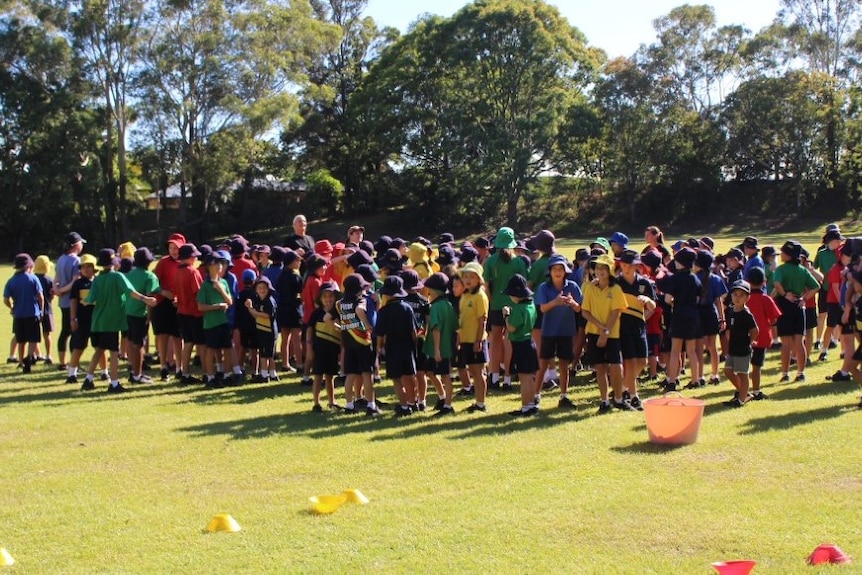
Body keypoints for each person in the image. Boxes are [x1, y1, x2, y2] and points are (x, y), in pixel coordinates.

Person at [79, 248, 156, 393]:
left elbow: (90, 298)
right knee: (114, 352)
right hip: (112, 321)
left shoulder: (98, 279)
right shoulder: (117, 277)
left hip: (98, 321)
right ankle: (114, 383)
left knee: (100, 350)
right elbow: (130, 291)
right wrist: (146, 299)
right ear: (114, 263)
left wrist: (84, 301)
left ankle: (88, 379)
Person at [581, 253, 633, 413]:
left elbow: (617, 311)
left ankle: (618, 398)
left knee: (616, 366)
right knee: (600, 367)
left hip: (612, 333)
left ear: (610, 270)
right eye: (597, 268)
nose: (599, 271)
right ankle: (604, 401)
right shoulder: (590, 287)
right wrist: (600, 327)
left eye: (604, 268)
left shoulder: (616, 289)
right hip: (594, 332)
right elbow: (585, 312)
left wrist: (606, 331)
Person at [483, 227, 529, 390]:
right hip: (513, 305)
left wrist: (492, 300)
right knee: (509, 340)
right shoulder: (518, 261)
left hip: (496, 305)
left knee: (495, 340)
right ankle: (508, 378)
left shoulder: (490, 261)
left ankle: (494, 376)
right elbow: (524, 283)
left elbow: (486, 285)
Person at [534, 254, 582, 409]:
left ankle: (563, 396)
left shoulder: (572, 286)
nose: (558, 271)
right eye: (555, 268)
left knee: (563, 364)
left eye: (561, 268)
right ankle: (536, 395)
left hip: (566, 331)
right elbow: (542, 308)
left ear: (565, 271)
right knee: (543, 363)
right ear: (550, 271)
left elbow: (579, 308)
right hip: (548, 331)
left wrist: (572, 303)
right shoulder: (544, 287)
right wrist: (555, 302)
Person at [772, 241, 820, 383]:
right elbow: (815, 286)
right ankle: (801, 373)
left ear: (788, 255)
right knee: (799, 343)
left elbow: (776, 284)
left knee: (786, 343)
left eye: (783, 252)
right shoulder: (802, 269)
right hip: (799, 306)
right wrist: (804, 299)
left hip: (784, 306)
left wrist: (785, 294)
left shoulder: (781, 269)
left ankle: (785, 374)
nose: (781, 254)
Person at [656, 248, 702, 393]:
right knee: (691, 350)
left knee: (675, 350)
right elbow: (698, 298)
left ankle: (671, 380)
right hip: (693, 315)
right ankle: (695, 379)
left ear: (680, 262)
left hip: (679, 314)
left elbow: (668, 299)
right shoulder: (695, 278)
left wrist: (675, 301)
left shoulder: (675, 278)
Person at [375, 275, 419, 417]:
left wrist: (379, 349)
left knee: (397, 379)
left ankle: (404, 406)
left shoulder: (383, 311)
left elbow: (380, 334)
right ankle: (413, 403)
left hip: (392, 348)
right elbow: (414, 332)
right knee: (409, 376)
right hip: (407, 347)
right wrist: (414, 345)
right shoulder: (407, 308)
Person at [616, 250, 655, 410]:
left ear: (637, 266)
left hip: (639, 326)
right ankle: (634, 396)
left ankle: (623, 389)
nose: (626, 268)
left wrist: (647, 302)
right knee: (629, 362)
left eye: (630, 265)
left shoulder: (644, 283)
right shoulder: (616, 283)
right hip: (622, 327)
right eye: (624, 264)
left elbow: (653, 307)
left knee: (642, 361)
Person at [337, 274, 377, 415]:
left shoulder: (339, 303)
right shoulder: (362, 300)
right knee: (367, 374)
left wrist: (340, 326)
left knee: (351, 374)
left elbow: (327, 317)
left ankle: (349, 405)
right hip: (363, 341)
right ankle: (371, 405)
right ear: (359, 289)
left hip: (348, 343)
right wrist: (367, 326)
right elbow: (360, 310)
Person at [500, 274, 539, 416]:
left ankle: (525, 407)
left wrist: (506, 316)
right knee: (529, 377)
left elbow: (511, 328)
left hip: (520, 345)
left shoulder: (518, 308)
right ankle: (531, 404)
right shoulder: (531, 305)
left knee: (524, 379)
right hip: (530, 342)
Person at [421, 272, 458, 416]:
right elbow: (455, 325)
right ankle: (442, 398)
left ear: (434, 291)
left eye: (429, 289)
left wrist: (437, 350)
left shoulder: (436, 307)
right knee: (430, 372)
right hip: (445, 346)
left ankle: (448, 406)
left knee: (446, 376)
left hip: (440, 349)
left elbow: (436, 329)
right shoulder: (448, 304)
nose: (427, 292)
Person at [196, 250, 235, 387]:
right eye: (216, 263)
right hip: (211, 323)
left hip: (223, 321)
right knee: (211, 349)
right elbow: (200, 306)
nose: (220, 266)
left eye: (221, 263)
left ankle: (227, 374)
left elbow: (230, 301)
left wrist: (220, 289)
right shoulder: (205, 286)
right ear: (209, 266)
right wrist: (216, 306)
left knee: (227, 348)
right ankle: (210, 377)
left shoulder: (223, 282)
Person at [124, 248, 161, 384]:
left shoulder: (129, 274)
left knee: (132, 342)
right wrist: (149, 317)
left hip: (128, 312)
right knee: (139, 345)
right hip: (140, 314)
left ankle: (133, 371)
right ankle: (137, 375)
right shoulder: (150, 276)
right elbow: (150, 297)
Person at [457, 262, 490, 413]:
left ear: (478, 279)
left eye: (472, 276)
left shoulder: (479, 296)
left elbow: (482, 319)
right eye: (465, 276)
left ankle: (481, 404)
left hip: (476, 340)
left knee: (478, 372)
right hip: (466, 339)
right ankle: (477, 401)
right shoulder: (465, 295)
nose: (468, 279)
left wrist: (478, 340)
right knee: (472, 370)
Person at [152, 233, 185, 380]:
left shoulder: (186, 263)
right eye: (171, 248)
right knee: (163, 335)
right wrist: (164, 292)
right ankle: (163, 367)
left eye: (176, 248)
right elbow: (153, 283)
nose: (173, 251)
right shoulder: (163, 263)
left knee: (179, 336)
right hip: (163, 303)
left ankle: (179, 368)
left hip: (179, 303)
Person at [744, 267, 781, 400]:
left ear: (747, 281)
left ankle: (743, 390)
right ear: (764, 281)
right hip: (762, 336)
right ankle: (756, 390)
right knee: (757, 366)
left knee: (743, 366)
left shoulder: (744, 299)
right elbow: (774, 318)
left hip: (745, 336)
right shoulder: (766, 299)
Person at [173, 243, 207, 385]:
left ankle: (184, 372)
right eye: (194, 256)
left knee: (187, 343)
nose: (195, 259)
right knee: (202, 344)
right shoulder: (193, 272)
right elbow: (199, 293)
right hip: (195, 312)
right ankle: (207, 373)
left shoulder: (177, 271)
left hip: (182, 311)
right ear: (189, 257)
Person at [3, 254, 44, 373]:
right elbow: (40, 296)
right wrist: (41, 310)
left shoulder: (11, 281)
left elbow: (5, 299)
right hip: (33, 313)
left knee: (21, 340)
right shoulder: (33, 278)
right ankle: (29, 357)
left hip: (19, 314)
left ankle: (21, 361)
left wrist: (12, 307)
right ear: (29, 266)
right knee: (33, 339)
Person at [692, 250, 727, 388]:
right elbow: (719, 301)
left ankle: (700, 376)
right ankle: (715, 374)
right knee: (712, 347)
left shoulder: (694, 278)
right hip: (711, 313)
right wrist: (722, 319)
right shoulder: (716, 279)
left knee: (698, 347)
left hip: (697, 313)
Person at [307, 281, 342, 412]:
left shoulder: (338, 313)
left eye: (331, 296)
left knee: (330, 376)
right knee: (318, 376)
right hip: (319, 351)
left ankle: (332, 401)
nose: (328, 299)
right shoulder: (316, 314)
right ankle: (316, 403)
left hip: (333, 350)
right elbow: (309, 331)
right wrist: (309, 348)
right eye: (325, 296)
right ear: (320, 299)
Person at [723, 280, 759, 407]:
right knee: (727, 370)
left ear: (747, 298)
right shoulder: (732, 311)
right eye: (735, 294)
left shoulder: (746, 314)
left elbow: (755, 330)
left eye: (741, 295)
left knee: (742, 374)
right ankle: (744, 392)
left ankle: (741, 399)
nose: (737, 298)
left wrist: (749, 341)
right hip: (733, 348)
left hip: (743, 348)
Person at [54, 231, 86, 370]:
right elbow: (75, 282)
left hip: (62, 302)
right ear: (75, 245)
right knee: (75, 332)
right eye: (80, 243)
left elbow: (56, 279)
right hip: (73, 302)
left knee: (64, 332)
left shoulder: (60, 259)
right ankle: (75, 364)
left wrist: (57, 290)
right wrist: (62, 290)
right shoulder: (76, 261)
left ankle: (63, 362)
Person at [65, 254, 98, 383]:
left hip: (96, 320)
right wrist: (73, 319)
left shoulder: (98, 281)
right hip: (82, 320)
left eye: (89, 266)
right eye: (84, 267)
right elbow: (73, 301)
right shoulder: (78, 283)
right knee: (79, 347)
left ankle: (105, 372)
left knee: (99, 347)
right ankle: (71, 374)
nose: (87, 269)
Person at [300, 254, 329, 385]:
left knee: (310, 349)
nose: (325, 267)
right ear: (316, 267)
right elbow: (318, 303)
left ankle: (306, 377)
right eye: (323, 265)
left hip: (307, 317)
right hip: (315, 319)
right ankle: (318, 376)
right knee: (316, 350)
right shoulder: (316, 282)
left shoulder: (308, 279)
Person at [246, 276, 279, 382]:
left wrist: (254, 311)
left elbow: (267, 315)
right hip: (262, 330)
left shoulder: (269, 301)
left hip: (269, 331)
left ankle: (264, 375)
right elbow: (255, 315)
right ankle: (272, 374)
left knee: (267, 354)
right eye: (259, 288)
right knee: (266, 353)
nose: (262, 290)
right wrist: (250, 307)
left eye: (264, 288)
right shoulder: (258, 301)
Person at [276, 249, 303, 373]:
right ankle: (299, 364)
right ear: (291, 262)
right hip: (294, 308)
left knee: (285, 338)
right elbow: (300, 292)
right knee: (296, 338)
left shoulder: (281, 276)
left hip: (282, 308)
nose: (299, 263)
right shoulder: (295, 276)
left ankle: (285, 363)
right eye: (297, 260)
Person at [33, 255, 55, 364]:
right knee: (47, 334)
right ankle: (48, 355)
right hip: (47, 309)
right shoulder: (49, 280)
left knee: (34, 333)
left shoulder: (33, 279)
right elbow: (52, 294)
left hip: (34, 310)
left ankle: (37, 353)